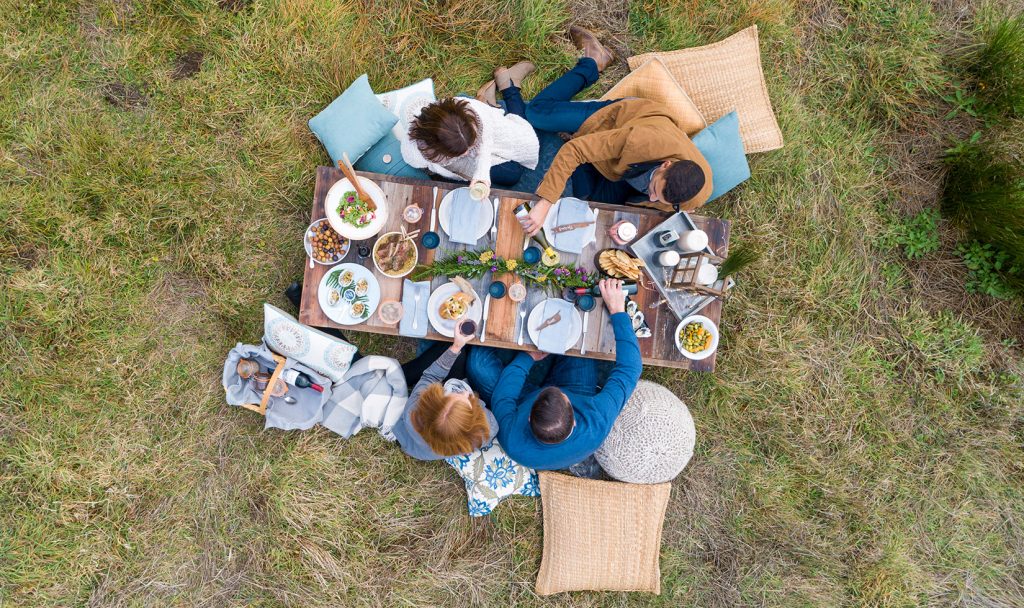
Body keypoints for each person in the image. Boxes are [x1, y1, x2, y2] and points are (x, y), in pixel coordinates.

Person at [509, 26, 713, 236]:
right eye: (653, 189)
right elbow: (575, 151)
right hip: (617, 121)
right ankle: (592, 63)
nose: (652, 198)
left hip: (622, 174)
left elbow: (664, 215)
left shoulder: (692, 195)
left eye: (659, 199)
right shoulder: (639, 141)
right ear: (666, 165)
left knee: (586, 200)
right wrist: (544, 204)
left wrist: (630, 223)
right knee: (537, 113)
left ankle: (575, 137)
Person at [466, 279, 642, 470]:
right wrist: (617, 311)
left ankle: (536, 363)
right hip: (575, 388)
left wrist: (526, 359)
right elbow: (630, 369)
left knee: (478, 363)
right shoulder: (596, 421)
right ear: (574, 420)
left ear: (527, 418)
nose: (553, 389)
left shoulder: (512, 439)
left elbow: (505, 397)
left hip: (524, 397)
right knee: (585, 324)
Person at [399, 62, 539, 190]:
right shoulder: (414, 150)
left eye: (468, 147)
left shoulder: (474, 112)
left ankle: (509, 88)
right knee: (513, 175)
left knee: (529, 136)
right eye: (461, 152)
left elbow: (486, 141)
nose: (467, 153)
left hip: (493, 137)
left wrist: (482, 173)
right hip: (467, 164)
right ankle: (490, 98)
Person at [391, 324, 499, 460]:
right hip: (425, 449)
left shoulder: (413, 411)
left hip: (414, 443)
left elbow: (430, 377)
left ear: (431, 402)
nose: (466, 393)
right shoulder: (488, 429)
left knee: (451, 351)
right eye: (468, 399)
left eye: (452, 394)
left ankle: (396, 376)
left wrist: (455, 347)